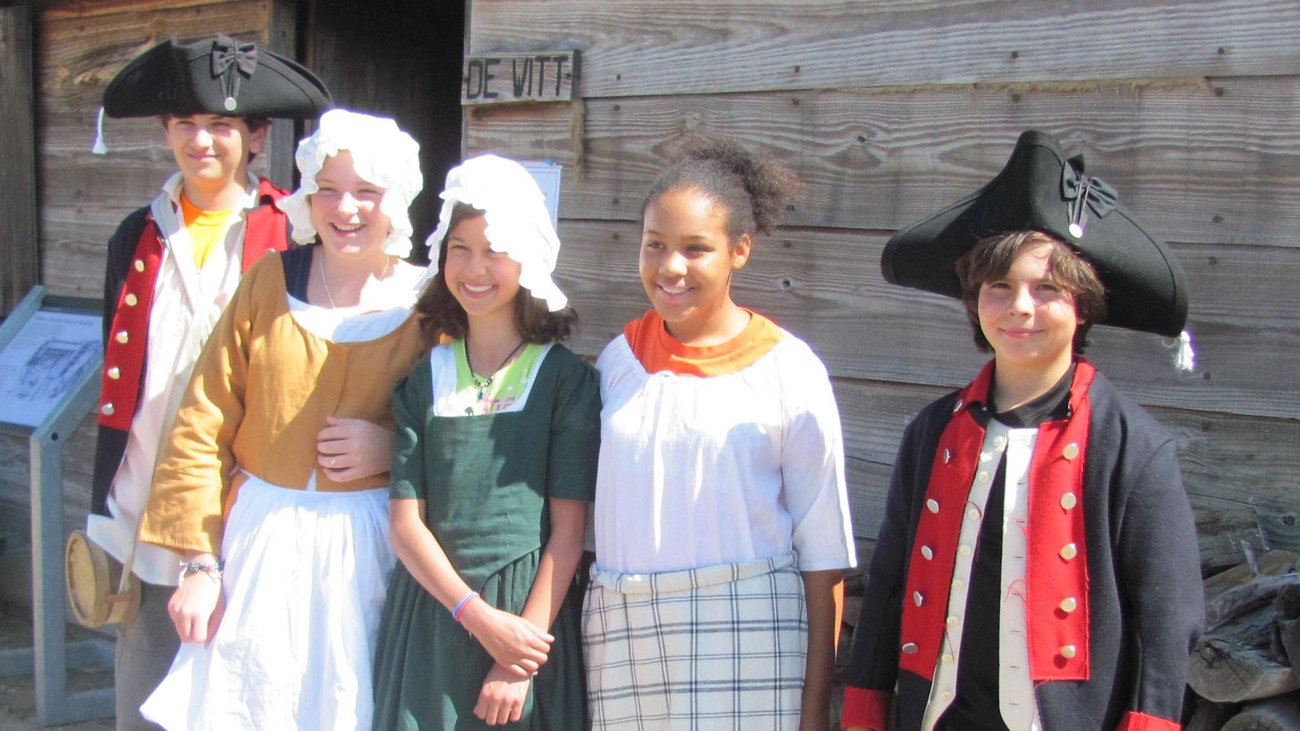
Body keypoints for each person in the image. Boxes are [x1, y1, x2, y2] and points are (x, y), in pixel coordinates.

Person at [841, 130, 1204, 731]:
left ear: (1083, 305)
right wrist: (867, 710)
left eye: (1048, 289)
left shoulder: (1132, 447)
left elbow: (1169, 620)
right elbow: (890, 588)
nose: (1021, 307)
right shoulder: (934, 432)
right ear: (975, 300)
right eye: (1000, 286)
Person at [134, 108, 427, 730]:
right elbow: (201, 420)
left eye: (366, 191)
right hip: (258, 551)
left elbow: (466, 438)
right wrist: (198, 564)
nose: (345, 209)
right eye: (329, 190)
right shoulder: (270, 283)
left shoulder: (430, 307)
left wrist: (397, 451)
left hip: (378, 556)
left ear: (396, 197)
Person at [85, 34, 330, 730]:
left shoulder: (297, 235)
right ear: (166, 130)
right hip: (149, 509)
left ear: (255, 135)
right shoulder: (136, 234)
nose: (203, 140)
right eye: (187, 122)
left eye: (222, 124)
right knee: (146, 701)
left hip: (256, 504)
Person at [584, 140, 857, 729]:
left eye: (695, 248)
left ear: (740, 251)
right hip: (625, 643)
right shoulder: (618, 362)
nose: (670, 267)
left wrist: (814, 710)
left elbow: (824, 552)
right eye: (654, 245)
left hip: (750, 637)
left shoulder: (788, 370)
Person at [370, 153, 600, 729]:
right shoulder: (426, 377)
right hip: (434, 615)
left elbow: (568, 537)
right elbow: (405, 526)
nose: (476, 267)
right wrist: (475, 615)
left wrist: (518, 658)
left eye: (494, 249)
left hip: (528, 622)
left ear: (529, 256)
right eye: (460, 248)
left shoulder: (565, 381)